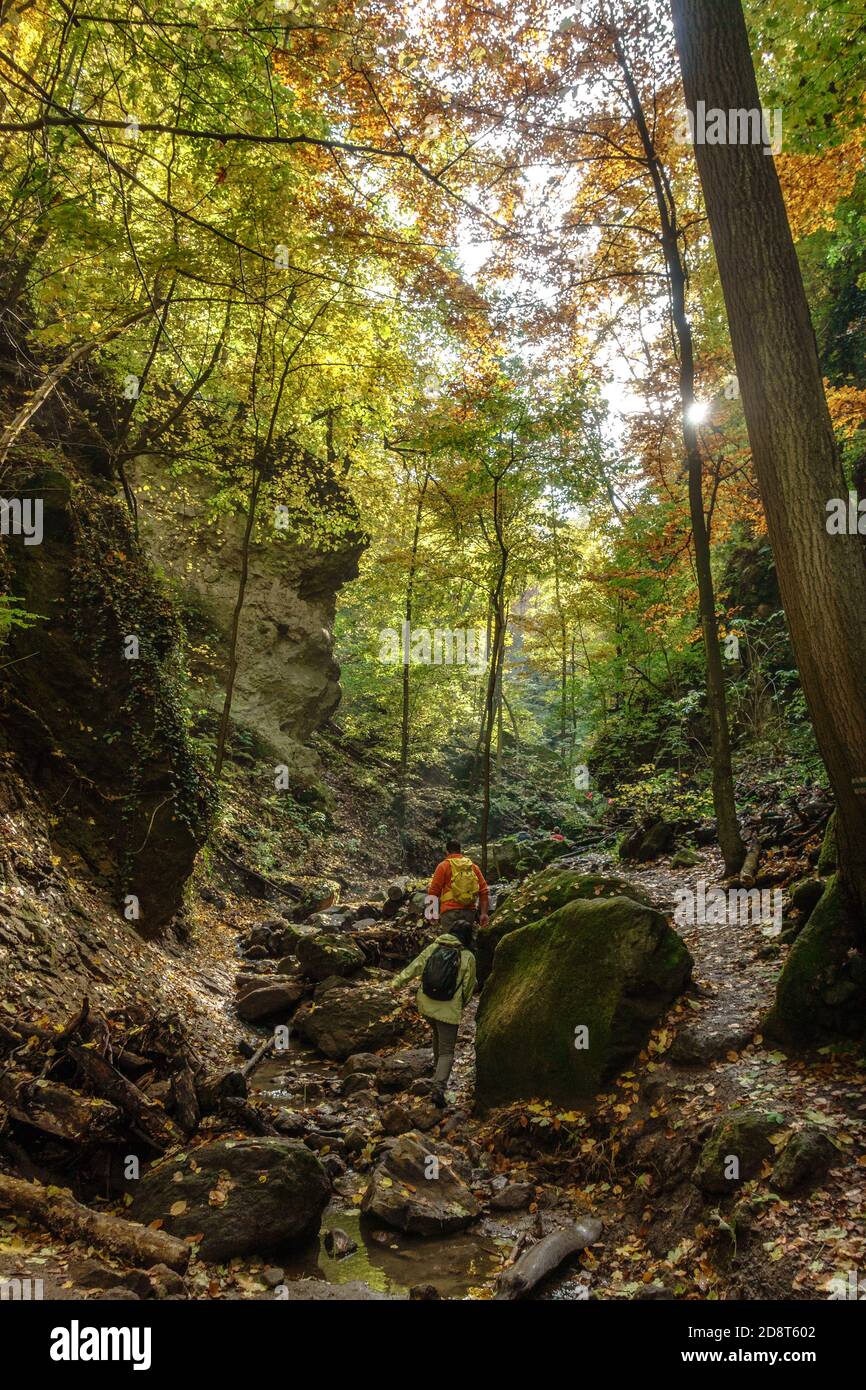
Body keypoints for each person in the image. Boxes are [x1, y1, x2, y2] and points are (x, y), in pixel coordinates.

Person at [390, 918, 476, 1094]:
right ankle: (439, 1087)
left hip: (426, 1004)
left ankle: (437, 1073)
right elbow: (469, 986)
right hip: (449, 1008)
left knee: (437, 1034)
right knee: (447, 1050)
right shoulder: (467, 957)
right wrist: (461, 1004)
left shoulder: (433, 948)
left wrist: (396, 983)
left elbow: (415, 966)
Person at [426, 839, 489, 935]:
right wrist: (484, 913)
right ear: (460, 850)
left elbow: (433, 891)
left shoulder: (443, 866)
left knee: (450, 944)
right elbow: (484, 891)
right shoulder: (472, 867)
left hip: (449, 912)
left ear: (447, 852)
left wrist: (432, 912)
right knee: (465, 942)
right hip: (469, 912)